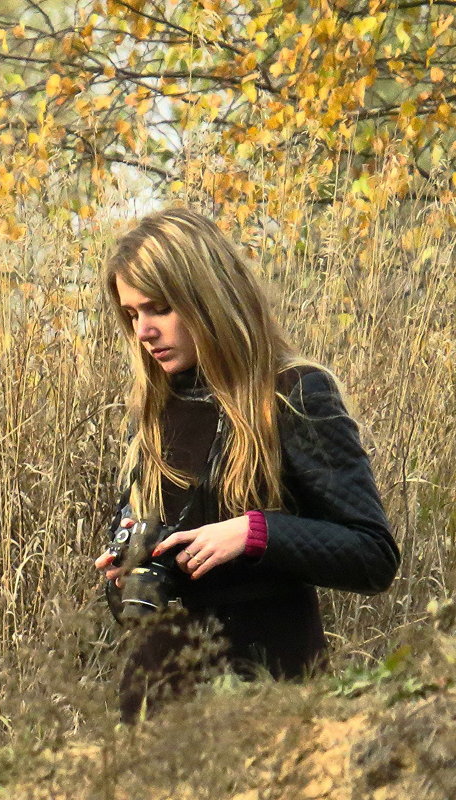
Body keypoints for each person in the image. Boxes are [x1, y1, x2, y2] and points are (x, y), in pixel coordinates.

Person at [93, 207, 400, 722]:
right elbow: (134, 593)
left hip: (271, 695)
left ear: (206, 297)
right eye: (130, 315)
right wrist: (124, 573)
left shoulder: (295, 393)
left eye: (158, 308)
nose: (143, 331)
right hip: (156, 704)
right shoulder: (151, 410)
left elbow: (373, 555)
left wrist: (256, 534)